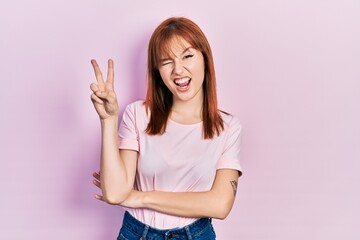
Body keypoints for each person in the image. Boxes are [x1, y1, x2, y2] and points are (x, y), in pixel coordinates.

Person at [89, 17, 242, 240]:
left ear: (205, 59)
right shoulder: (137, 114)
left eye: (187, 56)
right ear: (157, 70)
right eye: (166, 61)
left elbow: (220, 205)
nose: (178, 69)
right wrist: (109, 119)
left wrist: (137, 197)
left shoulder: (227, 127)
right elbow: (114, 193)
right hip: (137, 234)